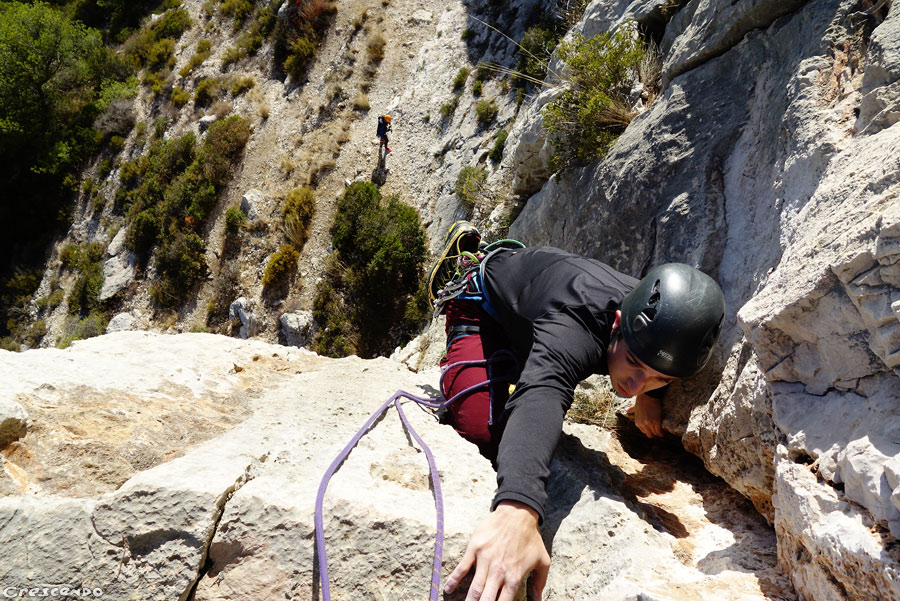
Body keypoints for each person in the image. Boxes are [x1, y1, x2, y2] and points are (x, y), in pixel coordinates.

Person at [427, 221, 726, 601]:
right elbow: (543, 391)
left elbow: (647, 364)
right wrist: (518, 507)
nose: (634, 384)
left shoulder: (655, 315)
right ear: (617, 324)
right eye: (633, 362)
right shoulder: (578, 324)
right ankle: (462, 262)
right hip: (485, 305)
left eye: (658, 378)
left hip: (538, 307)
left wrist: (649, 396)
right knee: (482, 431)